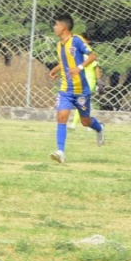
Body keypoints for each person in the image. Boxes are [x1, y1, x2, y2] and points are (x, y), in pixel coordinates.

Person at [48, 14, 105, 163]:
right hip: (66, 89)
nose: (54, 27)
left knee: (85, 121)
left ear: (63, 27)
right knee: (61, 117)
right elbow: (65, 63)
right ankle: (60, 151)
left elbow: (93, 56)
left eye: (56, 24)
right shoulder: (59, 45)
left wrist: (79, 68)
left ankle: (99, 129)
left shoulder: (77, 40)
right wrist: (55, 70)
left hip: (81, 90)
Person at [69, 34, 103, 130]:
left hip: (90, 80)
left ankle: (74, 124)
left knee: (81, 101)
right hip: (81, 80)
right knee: (82, 102)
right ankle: (90, 123)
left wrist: (99, 80)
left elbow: (96, 67)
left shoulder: (90, 53)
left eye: (83, 40)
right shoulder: (78, 52)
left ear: (88, 41)